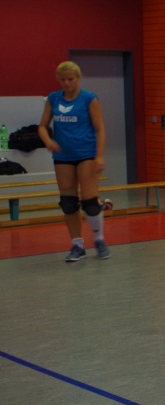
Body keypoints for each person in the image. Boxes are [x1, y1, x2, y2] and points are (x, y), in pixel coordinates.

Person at [38, 61, 109, 262]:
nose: (67, 83)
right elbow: (42, 126)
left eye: (71, 79)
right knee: (68, 204)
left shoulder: (89, 99)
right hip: (63, 156)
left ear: (78, 78)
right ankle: (78, 245)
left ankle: (99, 240)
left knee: (89, 203)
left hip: (86, 154)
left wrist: (99, 156)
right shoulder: (53, 98)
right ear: (57, 79)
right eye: (63, 80)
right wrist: (48, 141)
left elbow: (100, 129)